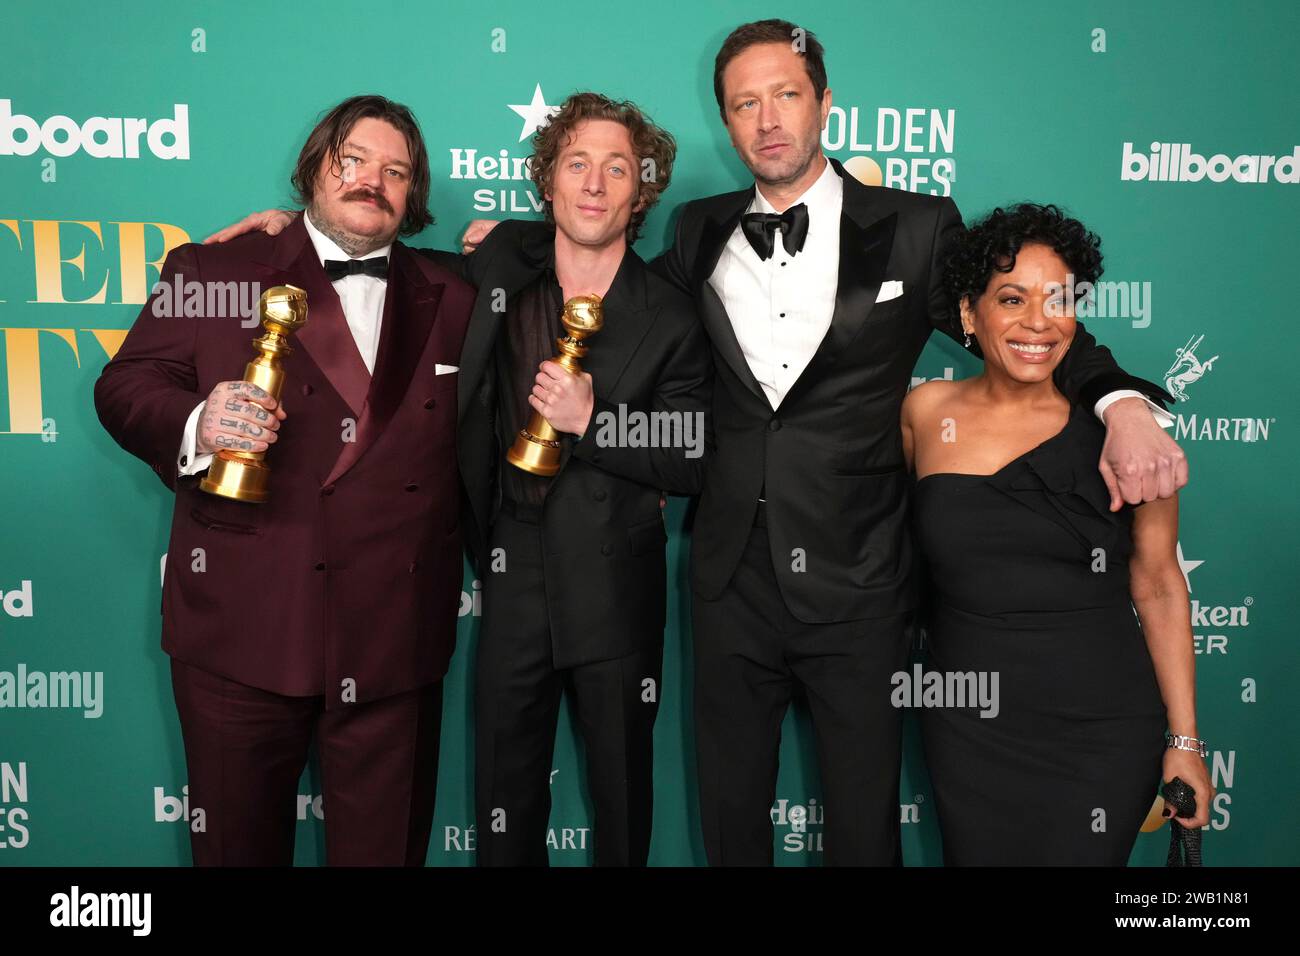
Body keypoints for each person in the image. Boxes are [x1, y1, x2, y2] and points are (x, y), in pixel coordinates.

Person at [214, 18, 1189, 866]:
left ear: (823, 103)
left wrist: (1116, 400)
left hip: (859, 586)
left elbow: (1015, 303)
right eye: (742, 103)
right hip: (726, 586)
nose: (766, 119)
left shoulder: (918, 227)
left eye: (785, 96)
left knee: (862, 833)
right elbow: (578, 256)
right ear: (724, 121)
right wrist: (297, 241)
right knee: (731, 830)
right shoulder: (693, 231)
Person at [208, 92, 711, 865]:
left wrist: (595, 422)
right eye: (577, 164)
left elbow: (694, 455)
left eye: (618, 169)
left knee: (622, 801)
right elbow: (363, 252)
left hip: (617, 591)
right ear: (547, 182)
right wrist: (279, 232)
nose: (595, 184)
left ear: (643, 190)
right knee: (503, 803)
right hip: (509, 575)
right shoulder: (491, 272)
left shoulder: (674, 313)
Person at [94, 95, 475, 865]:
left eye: (396, 171)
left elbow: (575, 248)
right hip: (242, 628)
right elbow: (125, 387)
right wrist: (201, 419)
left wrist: (515, 235)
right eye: (353, 161)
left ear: (414, 195)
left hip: (393, 641)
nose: (374, 181)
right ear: (312, 170)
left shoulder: (461, 293)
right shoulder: (215, 269)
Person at [903, 202, 1213, 864]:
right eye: (1011, 299)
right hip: (968, 726)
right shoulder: (924, 415)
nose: (1038, 322)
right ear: (968, 313)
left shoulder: (1131, 436)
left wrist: (1184, 742)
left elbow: (1159, 584)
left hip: (1100, 728)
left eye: (1059, 300)